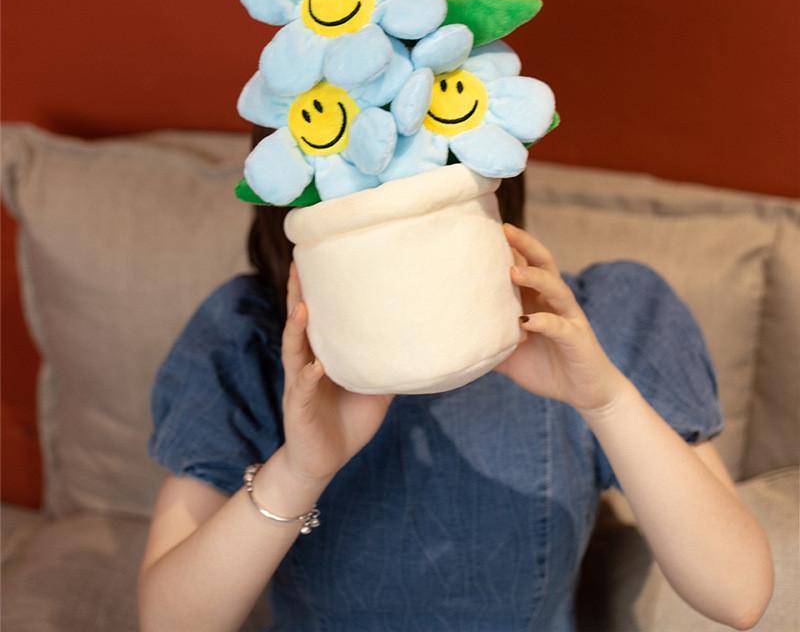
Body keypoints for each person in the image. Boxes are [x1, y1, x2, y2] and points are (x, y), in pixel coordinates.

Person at [137, 125, 773, 632]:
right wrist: (301, 470)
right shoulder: (249, 337)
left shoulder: (597, 319)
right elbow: (169, 622)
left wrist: (605, 401)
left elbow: (738, 594)